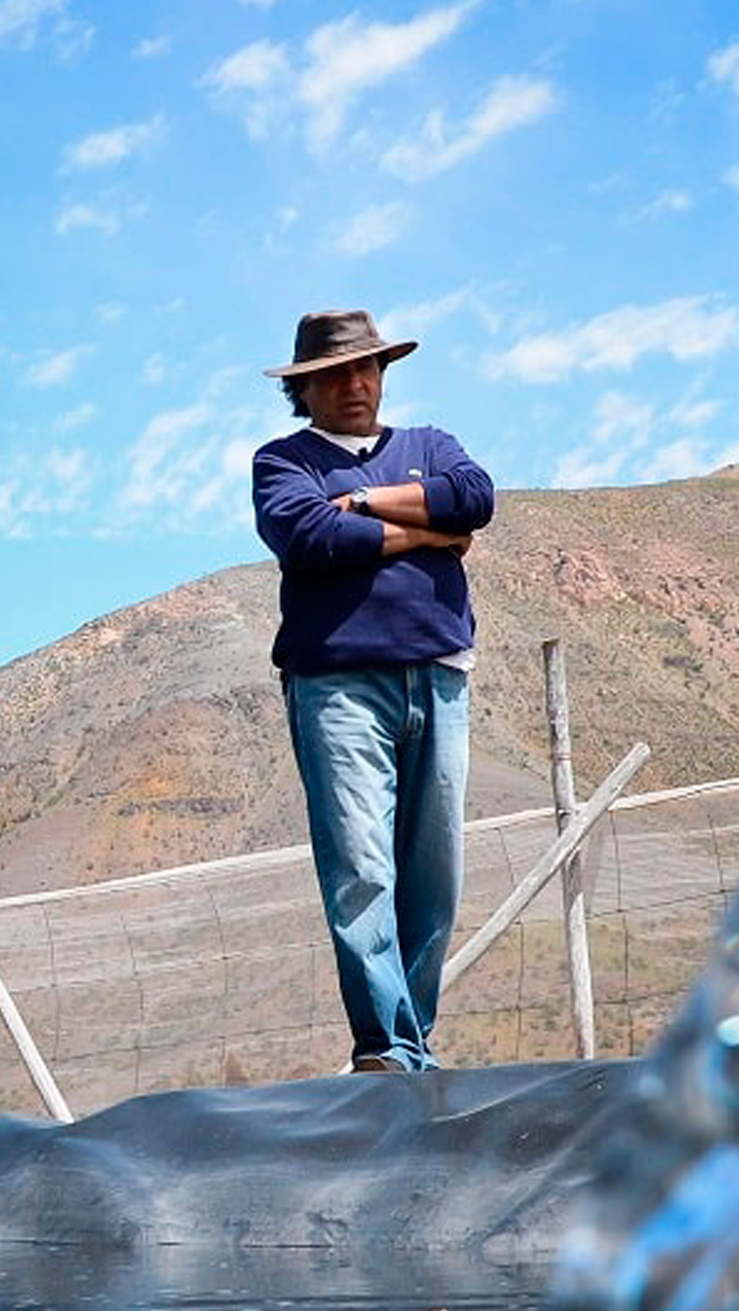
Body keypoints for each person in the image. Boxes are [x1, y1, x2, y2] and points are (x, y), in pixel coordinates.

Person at [253, 308, 494, 1073]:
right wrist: (425, 529)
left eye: (367, 368)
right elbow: (311, 539)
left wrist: (360, 503)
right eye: (335, 373)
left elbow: (475, 498)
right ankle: (385, 1046)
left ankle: (411, 1042)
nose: (356, 383)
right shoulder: (283, 461)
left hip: (440, 674)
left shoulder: (431, 445)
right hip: (338, 685)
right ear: (306, 387)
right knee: (362, 867)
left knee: (435, 873)